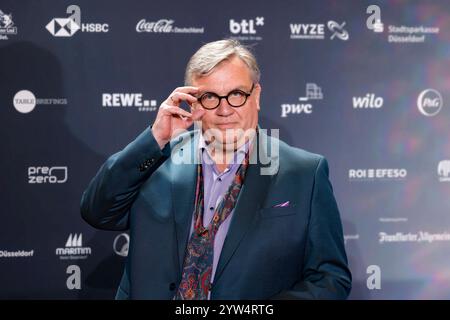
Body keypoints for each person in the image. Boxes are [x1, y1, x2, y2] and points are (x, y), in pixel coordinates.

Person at [80, 39, 351, 300]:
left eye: (236, 94)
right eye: (210, 97)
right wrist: (156, 138)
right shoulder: (157, 158)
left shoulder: (304, 173)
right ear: (192, 102)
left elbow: (329, 278)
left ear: (255, 95)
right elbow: (97, 212)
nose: (224, 109)